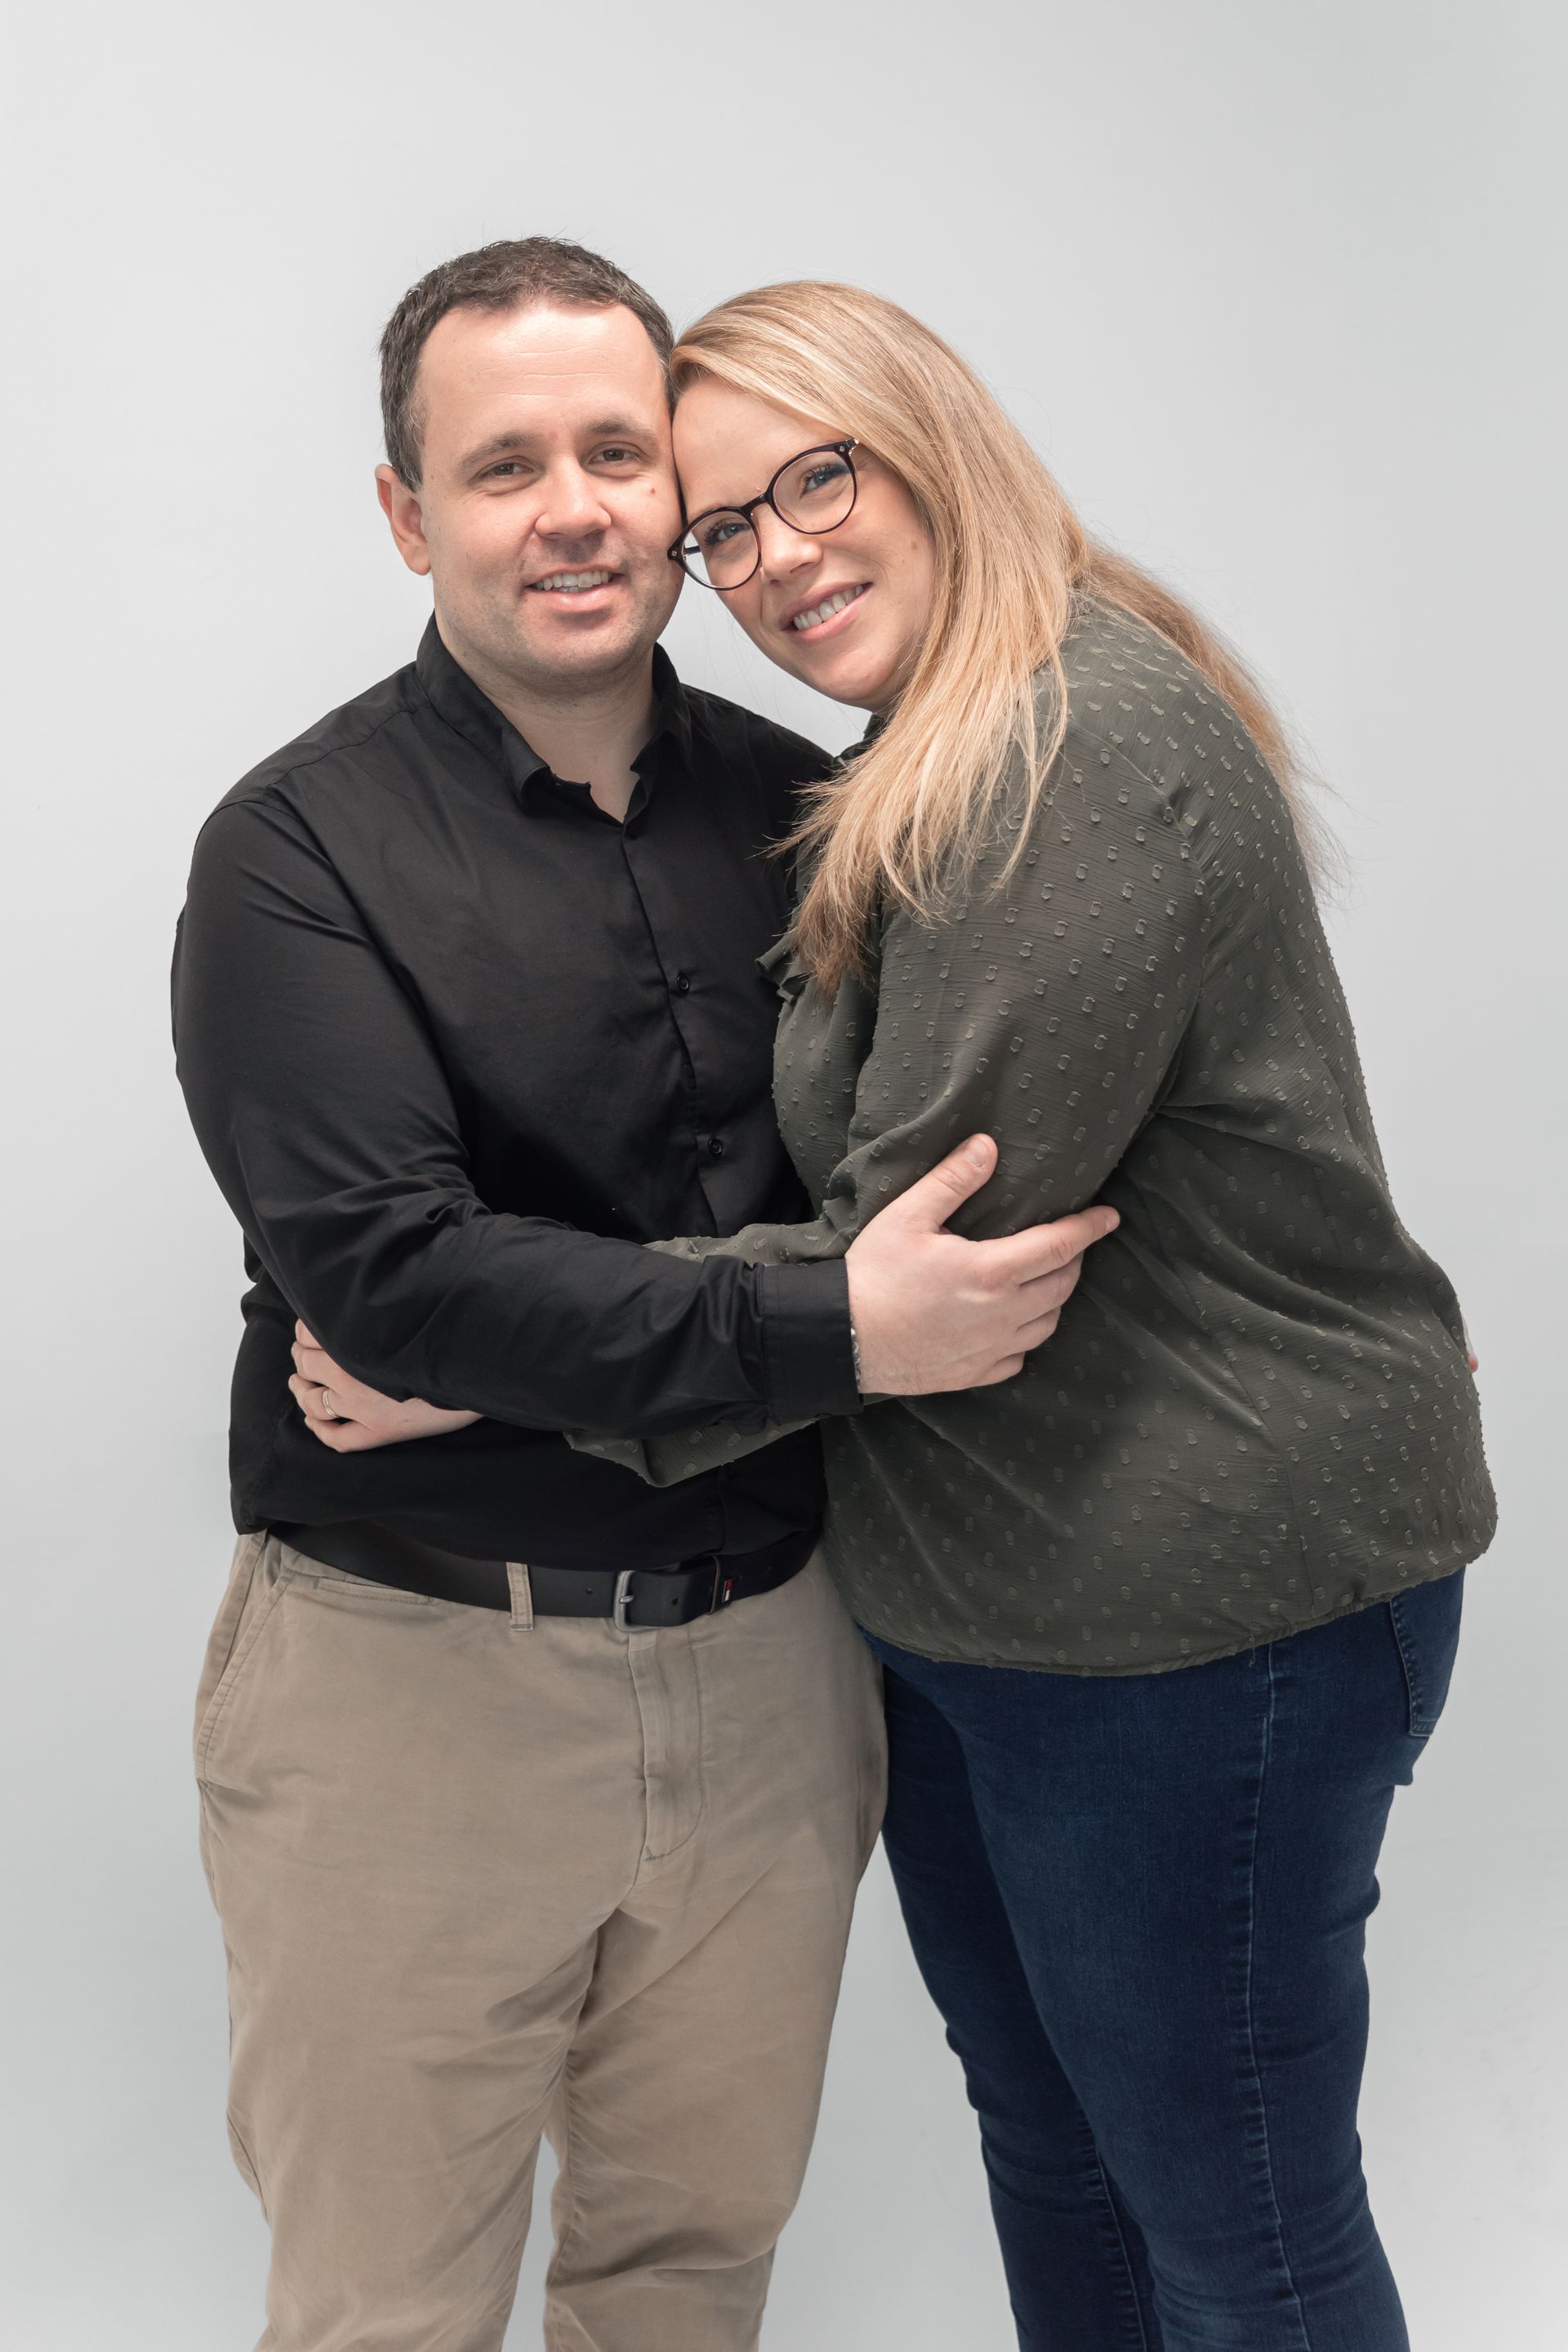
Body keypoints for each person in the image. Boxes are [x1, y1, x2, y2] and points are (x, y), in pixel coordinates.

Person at [303, 279, 1495, 2351]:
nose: (779, 559)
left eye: (819, 480)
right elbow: (866, 1290)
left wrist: (469, 1360)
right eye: (732, 522)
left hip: (1196, 1626)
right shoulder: (910, 761)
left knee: (1239, 2229)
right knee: (1055, 2151)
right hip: (989, 1611)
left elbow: (925, 1261)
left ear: (935, 443)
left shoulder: (1065, 753)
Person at [172, 239, 1115, 2352]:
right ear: (410, 516)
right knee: (384, 2312)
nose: (576, 506)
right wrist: (828, 1333)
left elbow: (946, 1205)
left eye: (619, 450)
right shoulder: (292, 856)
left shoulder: (823, 818)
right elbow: (393, 1282)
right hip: (414, 1689)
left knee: (689, 2282)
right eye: (504, 466)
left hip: (780, 1672)